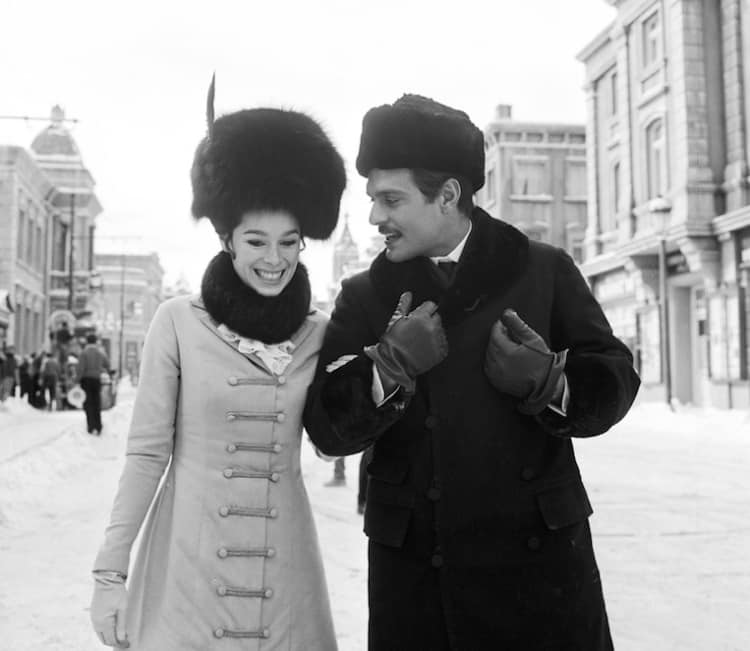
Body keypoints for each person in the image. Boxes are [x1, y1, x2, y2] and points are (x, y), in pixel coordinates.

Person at [304, 94, 641, 650]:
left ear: (449, 196)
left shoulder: (542, 269)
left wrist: (550, 382)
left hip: (540, 575)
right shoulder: (365, 294)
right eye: (373, 199)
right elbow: (326, 428)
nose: (374, 217)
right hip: (418, 581)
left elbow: (615, 381)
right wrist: (386, 368)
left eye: (391, 199)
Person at [90, 79, 346, 650]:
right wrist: (110, 571)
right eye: (257, 241)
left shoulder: (318, 332)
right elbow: (146, 453)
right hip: (189, 562)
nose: (274, 259)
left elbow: (334, 440)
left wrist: (386, 378)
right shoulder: (178, 321)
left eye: (290, 241)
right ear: (227, 238)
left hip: (285, 573)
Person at [77, 334, 110, 434]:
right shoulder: (100, 353)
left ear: (87, 341)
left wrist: (77, 380)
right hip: (97, 380)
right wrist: (101, 370)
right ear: (95, 341)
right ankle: (98, 426)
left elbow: (81, 368)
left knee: (88, 403)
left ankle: (91, 426)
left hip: (86, 380)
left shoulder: (84, 353)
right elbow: (107, 364)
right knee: (96, 402)